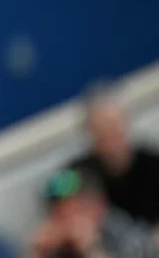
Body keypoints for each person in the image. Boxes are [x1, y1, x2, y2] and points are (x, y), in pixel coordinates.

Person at [67, 87, 159, 237]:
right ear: (90, 133)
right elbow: (53, 190)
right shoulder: (79, 173)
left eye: (115, 127)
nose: (111, 137)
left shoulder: (151, 164)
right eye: (103, 129)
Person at [30, 168, 156, 258]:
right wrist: (38, 252)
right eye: (58, 213)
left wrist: (90, 249)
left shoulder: (127, 236)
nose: (66, 220)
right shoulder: (59, 246)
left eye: (74, 210)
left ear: (99, 206)